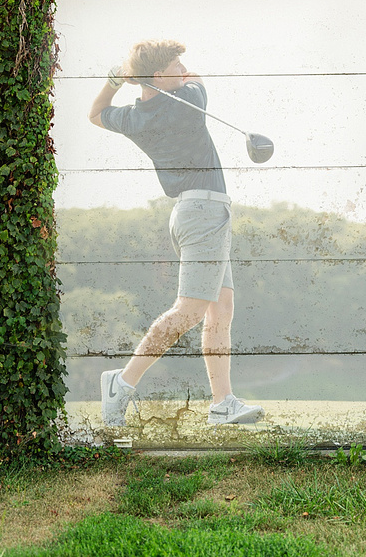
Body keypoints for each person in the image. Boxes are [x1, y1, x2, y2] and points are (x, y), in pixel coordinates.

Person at [88, 39, 263, 427]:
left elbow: (96, 114)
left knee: (222, 307)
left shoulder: (135, 117)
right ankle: (123, 380)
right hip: (204, 214)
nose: (184, 68)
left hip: (193, 211)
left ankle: (222, 403)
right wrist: (175, 78)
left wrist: (117, 79)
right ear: (158, 75)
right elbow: (197, 81)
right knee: (191, 310)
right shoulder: (188, 106)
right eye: (175, 64)